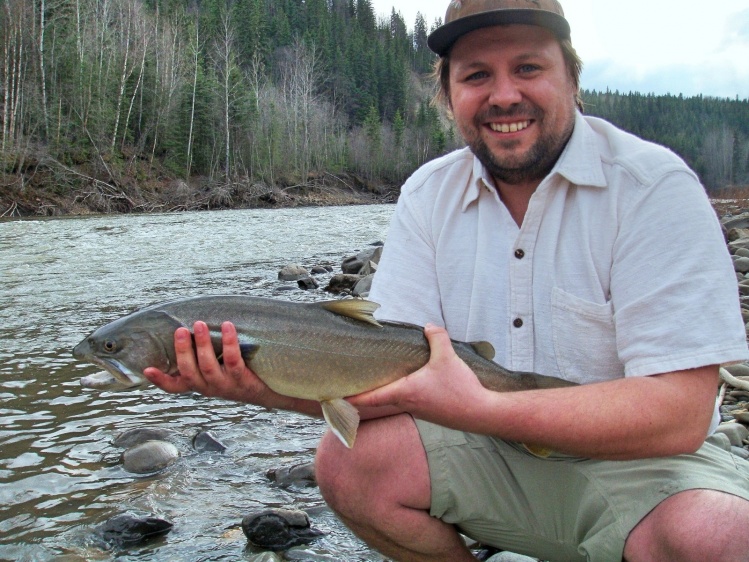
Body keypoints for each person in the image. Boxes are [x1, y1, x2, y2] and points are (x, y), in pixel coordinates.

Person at [144, 0, 749, 560]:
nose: (504, 95)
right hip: (487, 457)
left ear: (573, 79)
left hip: (647, 463)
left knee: (714, 536)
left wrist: (483, 406)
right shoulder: (429, 193)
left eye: (528, 67)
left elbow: (679, 415)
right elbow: (377, 374)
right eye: (476, 75)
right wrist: (259, 385)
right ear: (448, 94)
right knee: (349, 462)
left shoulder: (651, 187)